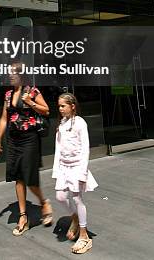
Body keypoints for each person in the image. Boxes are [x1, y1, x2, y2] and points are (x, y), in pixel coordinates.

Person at [0, 62, 53, 236]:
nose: (10, 76)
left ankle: (44, 202)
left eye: (13, 73)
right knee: (18, 177)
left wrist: (30, 103)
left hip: (29, 140)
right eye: (10, 73)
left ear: (22, 75)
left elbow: (46, 110)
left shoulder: (32, 92)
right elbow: (4, 118)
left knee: (30, 177)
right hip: (13, 140)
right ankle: (23, 217)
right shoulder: (8, 94)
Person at [53, 93, 98, 255]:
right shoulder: (61, 124)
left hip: (77, 167)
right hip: (63, 168)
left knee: (77, 198)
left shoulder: (80, 123)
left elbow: (85, 148)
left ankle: (85, 237)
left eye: (63, 106)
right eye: (59, 106)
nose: (60, 109)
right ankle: (75, 217)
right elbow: (58, 149)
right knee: (60, 197)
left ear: (72, 106)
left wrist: (82, 172)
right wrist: (56, 171)